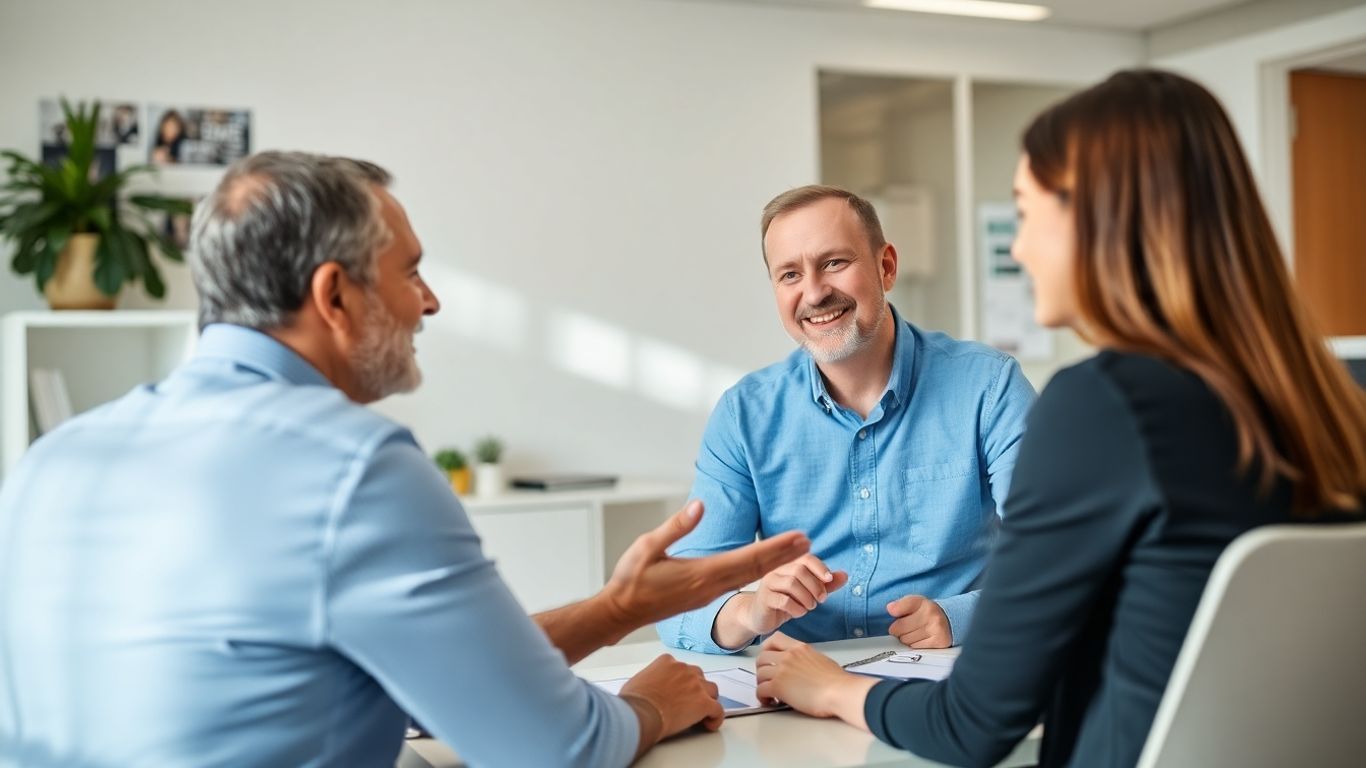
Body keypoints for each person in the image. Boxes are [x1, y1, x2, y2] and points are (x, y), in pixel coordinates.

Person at [0, 151, 813, 768]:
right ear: (335, 296)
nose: (428, 302)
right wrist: (649, 705)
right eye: (411, 271)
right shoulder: (351, 465)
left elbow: (428, 663)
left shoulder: (53, 459)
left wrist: (616, 610)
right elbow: (553, 747)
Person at [753, 69, 1366, 768]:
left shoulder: (1105, 407)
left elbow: (973, 725)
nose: (1017, 249)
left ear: (1099, 218)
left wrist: (833, 689)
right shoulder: (1331, 405)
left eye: (1026, 211)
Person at [657, 185, 1036, 655]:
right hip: (796, 686)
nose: (814, 292)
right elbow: (678, 594)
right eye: (790, 274)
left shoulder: (988, 387)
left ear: (887, 267)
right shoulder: (745, 414)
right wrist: (747, 611)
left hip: (948, 671)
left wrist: (961, 618)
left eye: (834, 263)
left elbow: (1058, 553)